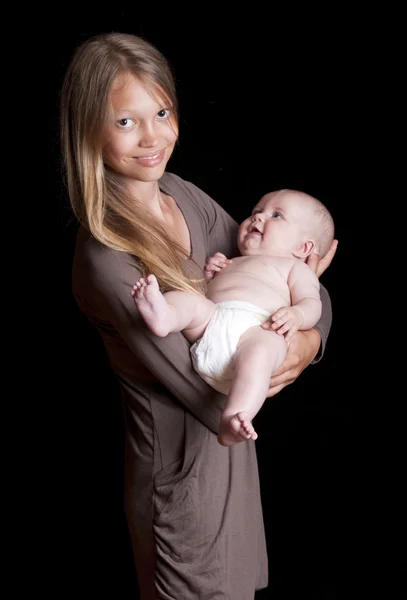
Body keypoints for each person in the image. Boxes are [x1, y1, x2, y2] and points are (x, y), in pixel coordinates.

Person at [60, 31, 337, 599]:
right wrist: (293, 339)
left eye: (161, 111)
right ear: (88, 128)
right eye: (126, 122)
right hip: (183, 481)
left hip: (236, 464)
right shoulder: (107, 256)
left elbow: (280, 270)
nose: (154, 137)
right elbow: (212, 391)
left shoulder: (183, 194)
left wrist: (306, 342)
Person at [132, 189, 335, 447]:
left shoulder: (296, 269)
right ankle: (165, 315)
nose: (258, 218)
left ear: (303, 247)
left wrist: (297, 314)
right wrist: (210, 274)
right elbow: (207, 291)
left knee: (264, 349)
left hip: (255, 331)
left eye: (276, 215)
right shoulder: (231, 261)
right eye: (256, 212)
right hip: (211, 325)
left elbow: (312, 303)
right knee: (192, 302)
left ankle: (234, 416)